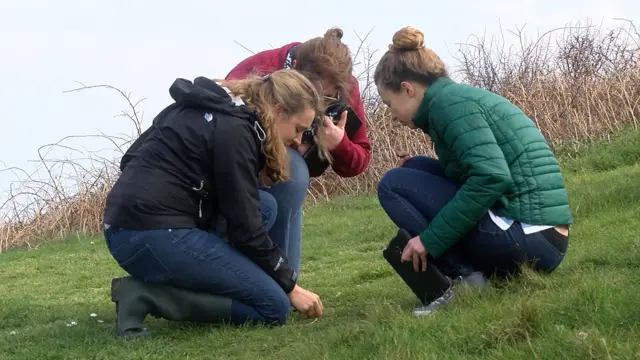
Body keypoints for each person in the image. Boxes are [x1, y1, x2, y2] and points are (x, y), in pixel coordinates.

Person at [104, 69, 325, 338]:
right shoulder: (236, 131)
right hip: (148, 233)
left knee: (265, 206)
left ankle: (199, 278)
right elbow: (246, 229)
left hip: (129, 225)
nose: (298, 140)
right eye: (298, 129)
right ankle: (144, 295)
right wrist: (291, 287)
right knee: (273, 305)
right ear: (278, 110)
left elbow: (130, 158)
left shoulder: (217, 107)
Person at [373, 26, 573, 316]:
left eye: (389, 104)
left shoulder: (449, 106)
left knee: (392, 184)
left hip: (531, 239)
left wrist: (429, 240)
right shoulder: (454, 99)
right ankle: (470, 277)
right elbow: (478, 172)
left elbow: (491, 177)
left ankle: (461, 281)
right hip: (541, 237)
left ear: (408, 89)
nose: (391, 116)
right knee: (413, 169)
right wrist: (420, 167)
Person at [225, 27, 372, 275]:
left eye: (329, 99)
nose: (320, 105)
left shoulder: (347, 87)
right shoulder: (260, 69)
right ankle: (260, 277)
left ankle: (283, 281)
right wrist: (276, 136)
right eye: (314, 96)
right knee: (289, 172)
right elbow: (224, 128)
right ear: (295, 72)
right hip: (240, 165)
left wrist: (339, 145)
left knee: (293, 175)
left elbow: (360, 161)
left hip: (293, 174)